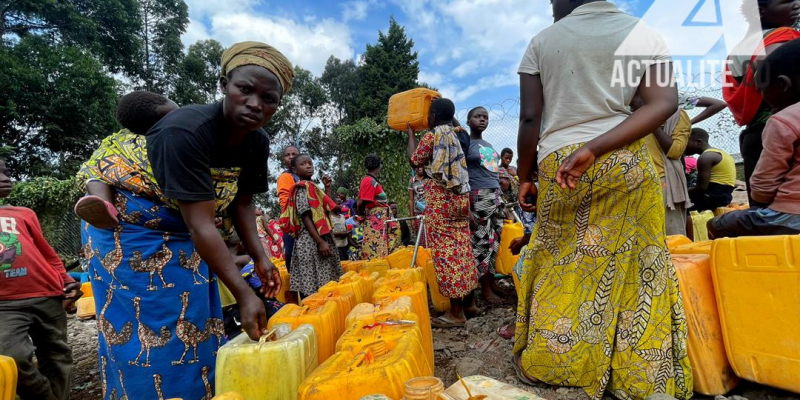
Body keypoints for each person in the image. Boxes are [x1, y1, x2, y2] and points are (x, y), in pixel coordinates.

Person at [79, 41, 289, 400]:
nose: (256, 104)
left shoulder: (257, 142)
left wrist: (261, 256)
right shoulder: (185, 130)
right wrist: (242, 292)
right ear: (224, 84)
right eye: (245, 89)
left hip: (187, 230)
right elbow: (202, 225)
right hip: (132, 234)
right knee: (149, 329)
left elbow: (242, 202)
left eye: (269, 99)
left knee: (195, 323)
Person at [514, 1, 691, 398]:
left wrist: (525, 177)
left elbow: (530, 119)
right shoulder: (643, 34)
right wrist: (596, 147)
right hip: (625, 160)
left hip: (559, 162)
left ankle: (555, 363)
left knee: (560, 263)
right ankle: (640, 380)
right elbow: (663, 103)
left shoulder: (542, 41)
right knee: (639, 270)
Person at [0, 159, 82, 400]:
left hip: (46, 294)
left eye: (5, 172)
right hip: (5, 304)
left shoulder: (24, 214)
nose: (5, 178)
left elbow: (46, 253)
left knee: (57, 355)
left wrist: (66, 280)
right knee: (12, 358)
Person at [710, 39, 800, 238]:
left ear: (783, 85)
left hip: (792, 216)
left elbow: (763, 186)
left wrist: (762, 199)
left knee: (718, 224)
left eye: (760, 90)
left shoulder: (783, 120)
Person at [406, 98, 478, 328]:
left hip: (441, 200)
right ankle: (470, 303)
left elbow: (414, 159)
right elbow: (452, 123)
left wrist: (410, 133)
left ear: (433, 118)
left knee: (447, 253)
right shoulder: (461, 134)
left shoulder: (432, 136)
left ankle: (456, 313)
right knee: (463, 248)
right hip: (461, 199)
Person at [724, 0, 800, 207]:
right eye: (786, 1)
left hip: (756, 132)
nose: (796, 5)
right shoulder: (780, 37)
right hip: (787, 134)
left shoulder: (739, 48)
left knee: (765, 212)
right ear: (761, 11)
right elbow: (765, 67)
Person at [74, 91, 179, 229]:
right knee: (96, 170)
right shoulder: (167, 141)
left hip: (112, 174)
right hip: (160, 194)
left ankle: (105, 203)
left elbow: (91, 166)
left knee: (93, 173)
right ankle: (103, 204)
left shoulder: (117, 141)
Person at [279, 154, 342, 297]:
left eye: (310, 163)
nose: (308, 166)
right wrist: (320, 242)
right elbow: (305, 216)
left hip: (321, 237)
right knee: (315, 283)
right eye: (303, 164)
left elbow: (326, 207)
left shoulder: (313, 187)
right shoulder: (301, 188)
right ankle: (317, 312)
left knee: (326, 280)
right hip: (311, 240)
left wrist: (327, 188)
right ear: (294, 170)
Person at [632, 93, 693, 235]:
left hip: (664, 182)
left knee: (671, 234)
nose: (630, 101)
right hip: (638, 183)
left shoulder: (676, 115)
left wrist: (650, 119)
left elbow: (676, 151)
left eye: (635, 95)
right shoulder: (629, 119)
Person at [464, 106, 505, 305]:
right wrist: (467, 205)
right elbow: (461, 175)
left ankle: (492, 282)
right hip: (478, 196)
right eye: (477, 116)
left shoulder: (487, 143)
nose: (482, 120)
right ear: (468, 120)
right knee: (482, 243)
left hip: (494, 195)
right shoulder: (465, 143)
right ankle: (485, 289)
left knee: (495, 241)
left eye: (485, 117)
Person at [684, 128, 736, 212]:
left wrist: (680, 194)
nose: (682, 145)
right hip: (725, 195)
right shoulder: (721, 153)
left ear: (698, 142)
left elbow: (700, 189)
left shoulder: (706, 157)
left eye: (685, 142)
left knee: (681, 208)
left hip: (712, 196)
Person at [357, 154, 390, 259]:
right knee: (375, 250)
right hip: (375, 221)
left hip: (379, 220)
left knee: (379, 248)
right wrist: (361, 215)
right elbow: (360, 202)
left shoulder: (372, 180)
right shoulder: (369, 181)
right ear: (378, 166)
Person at [277, 145, 300, 268]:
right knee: (293, 257)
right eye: (287, 155)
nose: (291, 157)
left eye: (294, 154)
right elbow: (285, 201)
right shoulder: (285, 177)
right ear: (283, 159)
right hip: (292, 223)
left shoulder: (302, 177)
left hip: (305, 223)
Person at [408, 166, 427, 243]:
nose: (420, 168)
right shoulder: (412, 181)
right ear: (415, 168)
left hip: (428, 210)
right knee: (420, 235)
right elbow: (411, 200)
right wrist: (412, 218)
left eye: (422, 166)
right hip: (418, 211)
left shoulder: (428, 179)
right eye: (418, 166)